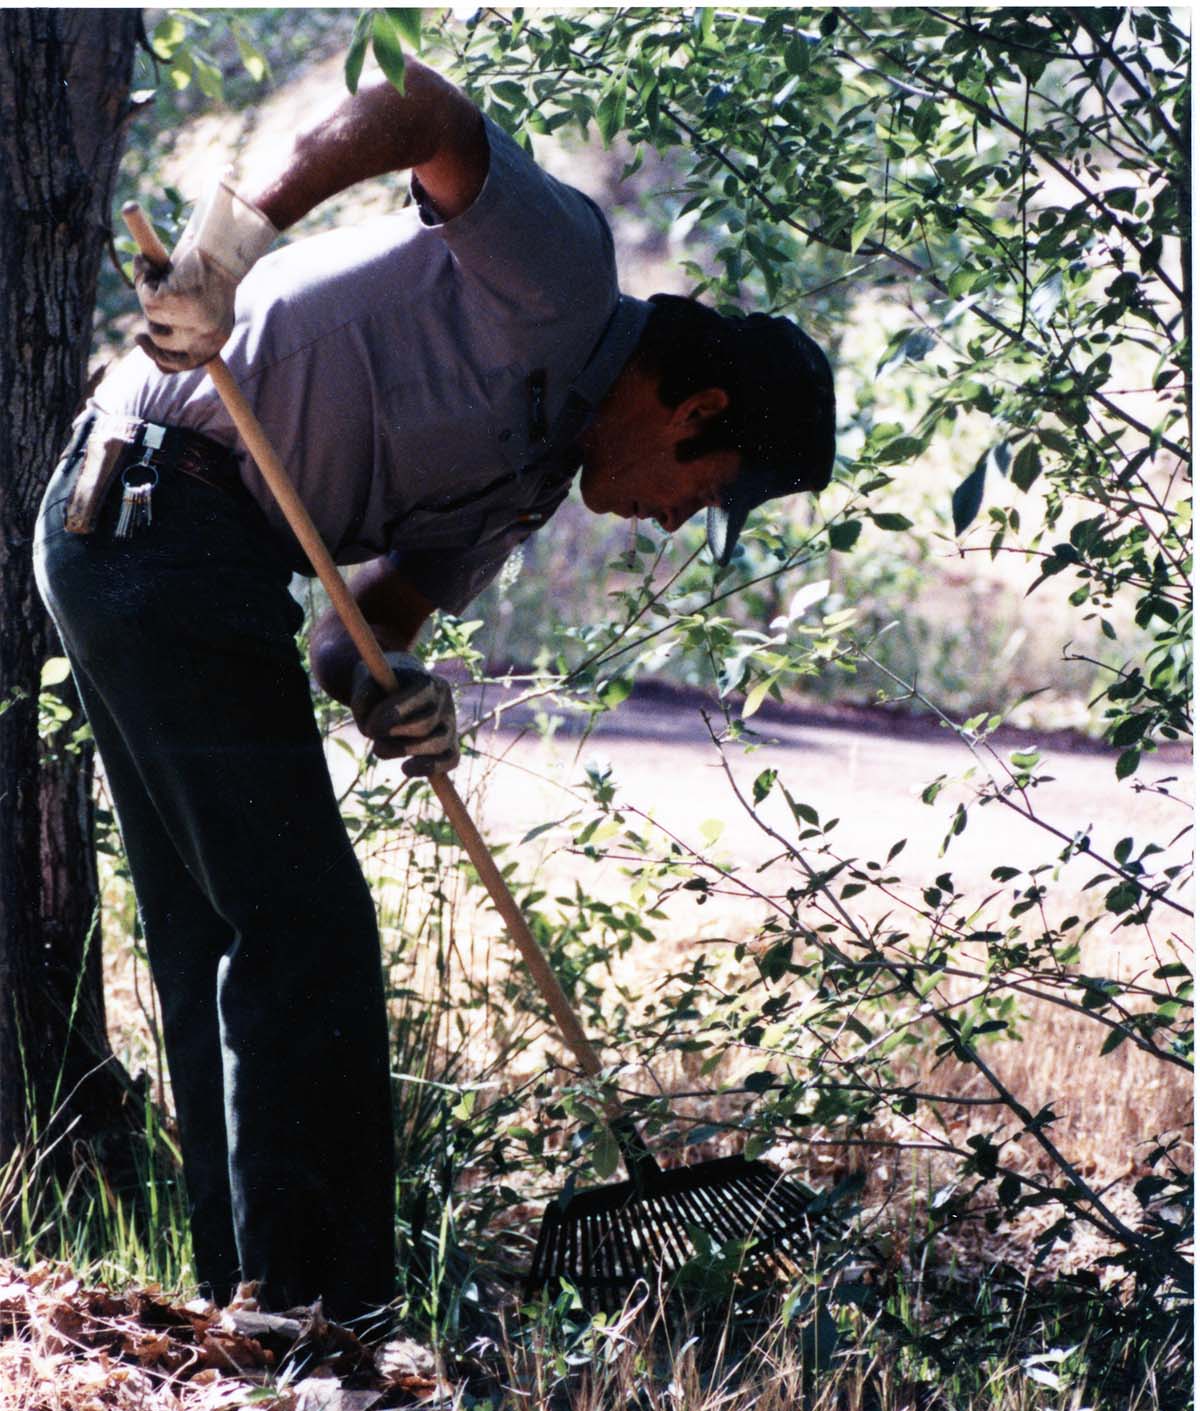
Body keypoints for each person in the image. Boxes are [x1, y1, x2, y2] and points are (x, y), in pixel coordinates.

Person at [34, 59, 835, 1325]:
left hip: (183, 554)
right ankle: (329, 1324)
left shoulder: (527, 481)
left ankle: (254, 1308)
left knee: (229, 931)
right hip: (153, 506)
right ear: (698, 405)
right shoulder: (564, 273)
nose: (679, 519)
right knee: (308, 931)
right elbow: (419, 105)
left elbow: (357, 644)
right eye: (705, 489)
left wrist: (405, 689)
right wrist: (231, 249)